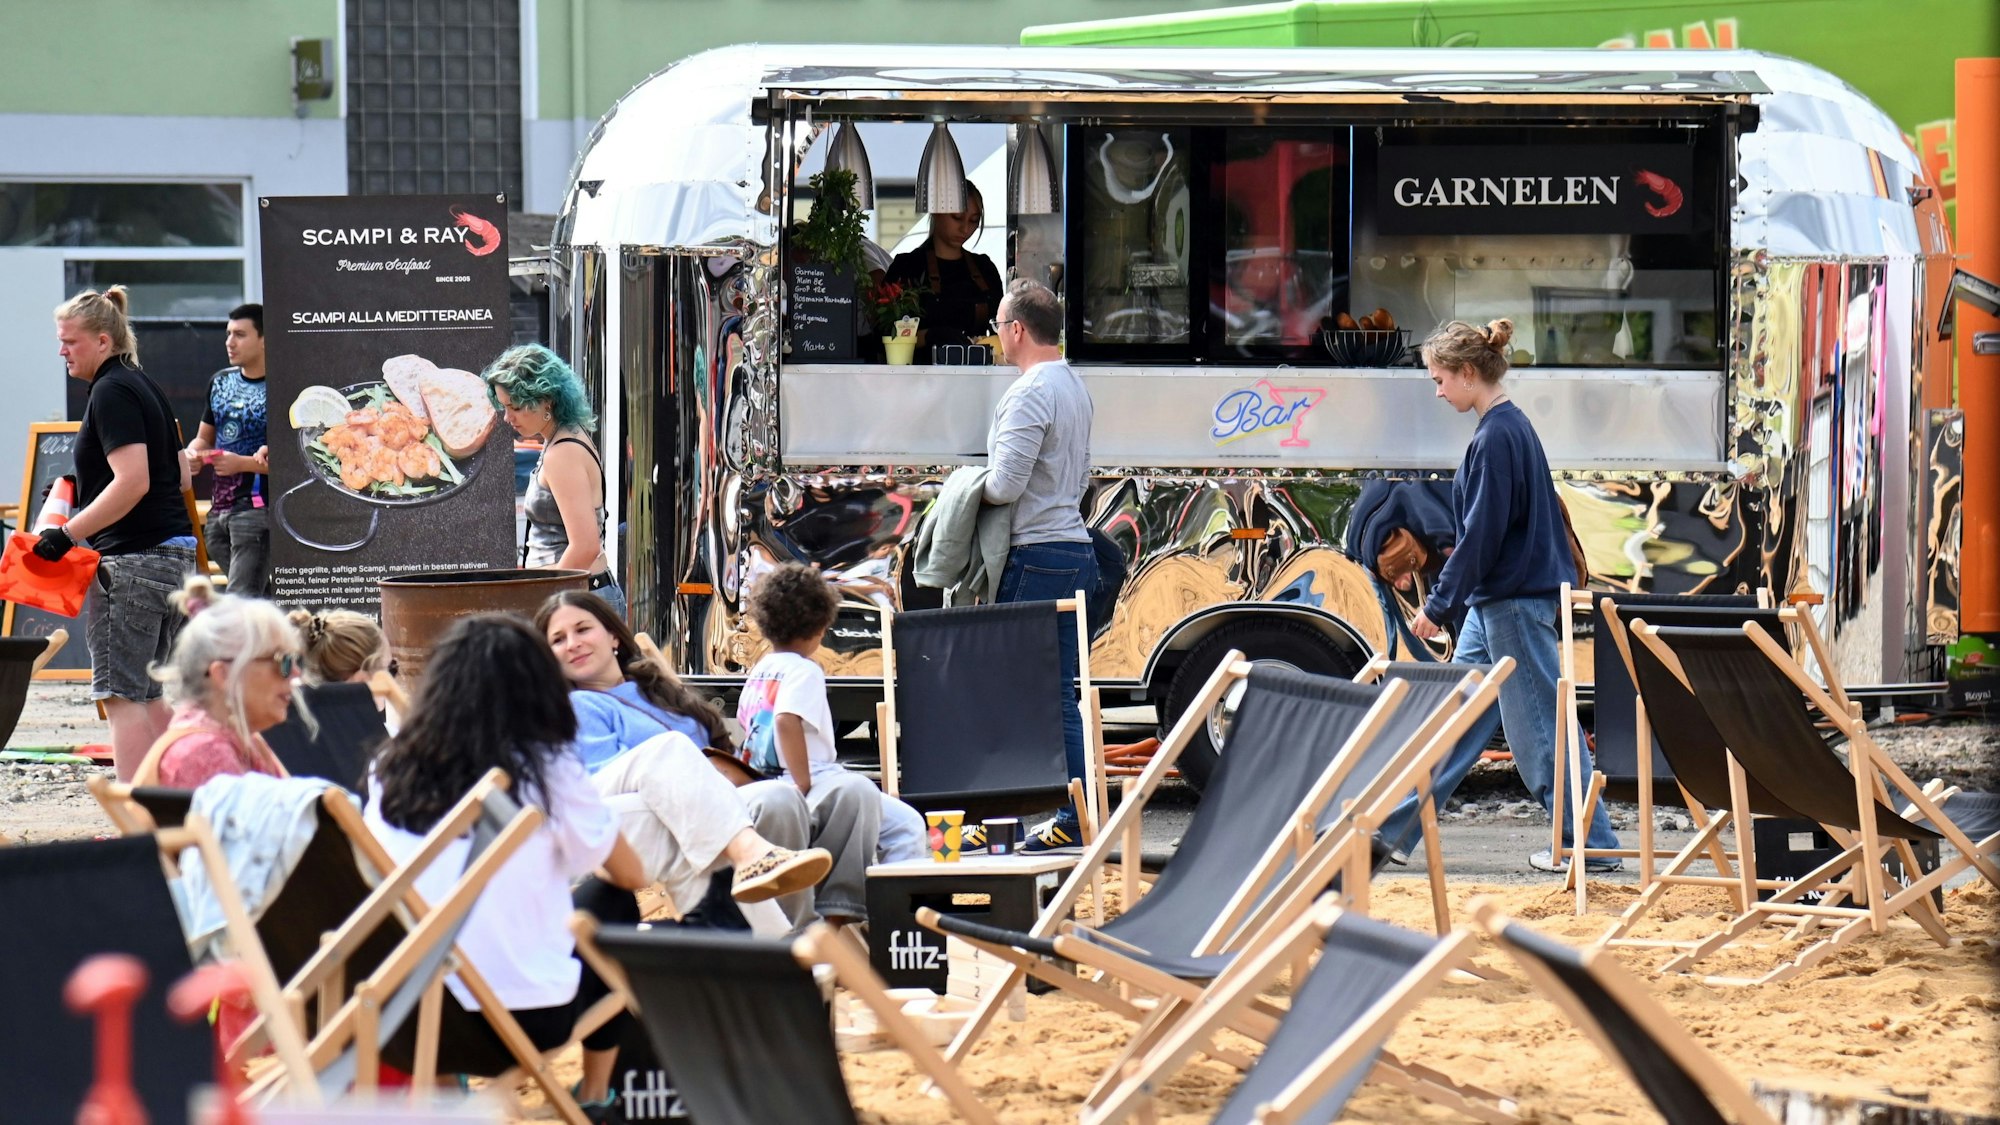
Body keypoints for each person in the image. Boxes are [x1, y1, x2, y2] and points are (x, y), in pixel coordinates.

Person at [363, 614, 647, 1112]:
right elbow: (629, 875)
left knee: (430, 926)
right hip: (524, 1020)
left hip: (410, 1019)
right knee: (613, 903)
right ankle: (598, 1095)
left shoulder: (388, 769)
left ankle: (447, 1095)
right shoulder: (547, 767)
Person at [1407, 318, 1621, 875]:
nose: (1436, 390)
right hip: (1501, 600)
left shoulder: (1496, 436)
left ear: (1468, 373)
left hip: (1509, 601)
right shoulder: (1509, 428)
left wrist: (1436, 607)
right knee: (1455, 721)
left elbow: (1482, 536)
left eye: (1439, 379)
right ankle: (1387, 829)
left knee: (1540, 732)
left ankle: (1589, 845)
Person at [536, 590, 833, 926]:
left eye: (582, 629)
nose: (572, 643)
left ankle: (796, 931)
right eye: (558, 640)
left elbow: (720, 748)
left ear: (613, 636)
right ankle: (758, 864)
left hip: (709, 800)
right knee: (672, 749)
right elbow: (606, 776)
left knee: (783, 797)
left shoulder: (652, 688)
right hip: (626, 813)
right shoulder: (577, 707)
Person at [43, 286, 198, 781]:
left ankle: (137, 818)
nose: (61, 350)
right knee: (149, 696)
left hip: (133, 564)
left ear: (104, 340)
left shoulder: (109, 392)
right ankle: (196, 791)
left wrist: (66, 533)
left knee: (121, 697)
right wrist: (81, 491)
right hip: (175, 559)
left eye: (70, 341)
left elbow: (134, 481)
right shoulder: (144, 384)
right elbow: (182, 477)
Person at [979, 279, 1096, 854]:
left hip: (1034, 553)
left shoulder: (1029, 392)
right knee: (1060, 695)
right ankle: (1073, 817)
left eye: (1000, 327)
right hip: (1074, 549)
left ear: (1017, 330)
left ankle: (1019, 821)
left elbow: (1004, 485)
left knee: (1019, 696)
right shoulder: (1074, 386)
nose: (998, 337)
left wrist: (961, 489)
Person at [737, 564, 911, 926]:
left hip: (765, 778)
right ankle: (888, 920)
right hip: (811, 778)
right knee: (906, 826)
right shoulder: (805, 670)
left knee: (895, 819)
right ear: (820, 629)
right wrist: (801, 783)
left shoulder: (761, 668)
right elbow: (786, 720)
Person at [484, 344, 625, 615]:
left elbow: (585, 547)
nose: (507, 417)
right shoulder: (566, 438)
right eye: (503, 406)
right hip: (581, 596)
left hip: (574, 600)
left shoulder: (562, 452)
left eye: (514, 406)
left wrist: (538, 597)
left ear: (545, 399)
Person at [140, 576, 295, 790]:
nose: (295, 673)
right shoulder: (206, 753)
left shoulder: (234, 737)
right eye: (282, 661)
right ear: (223, 675)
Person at [183, 303, 271, 598]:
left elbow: (296, 461)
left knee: (240, 599)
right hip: (219, 510)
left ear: (264, 339)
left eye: (240, 334)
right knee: (261, 597)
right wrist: (193, 455)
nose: (230, 342)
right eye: (228, 333)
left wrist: (241, 464)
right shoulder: (221, 381)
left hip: (258, 508)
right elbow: (204, 438)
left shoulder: (282, 388)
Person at [883, 182, 1003, 363]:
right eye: (957, 217)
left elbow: (1003, 330)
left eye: (973, 221)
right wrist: (932, 335)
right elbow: (885, 337)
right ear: (936, 212)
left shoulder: (985, 269)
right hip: (918, 379)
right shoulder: (907, 267)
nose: (965, 229)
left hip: (977, 378)